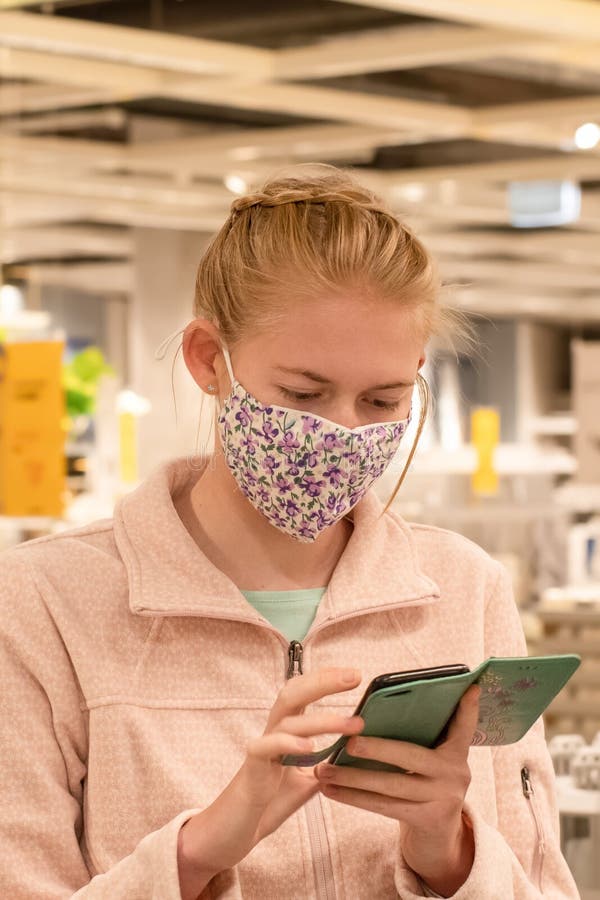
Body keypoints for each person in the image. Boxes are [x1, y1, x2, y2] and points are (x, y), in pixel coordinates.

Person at [0, 163, 580, 900]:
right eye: (302, 393)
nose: (342, 431)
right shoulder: (43, 605)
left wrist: (450, 855)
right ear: (211, 360)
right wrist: (200, 850)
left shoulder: (465, 590)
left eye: (382, 398)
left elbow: (543, 885)